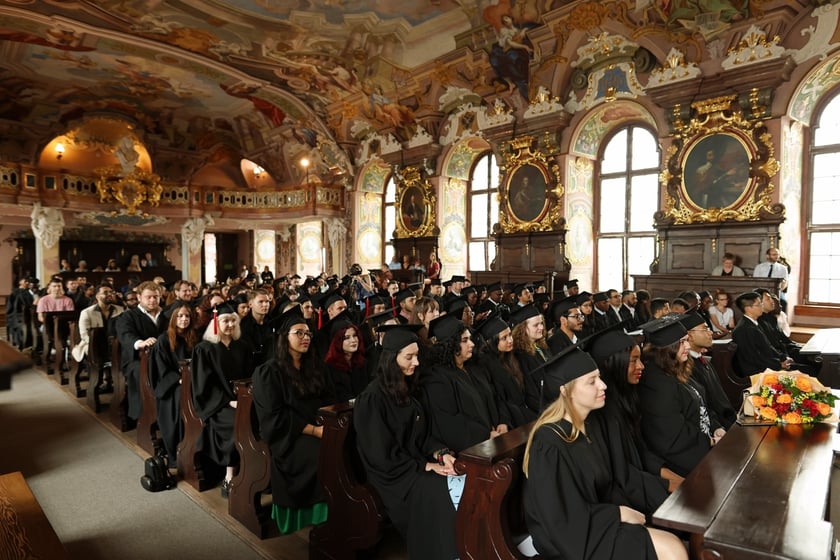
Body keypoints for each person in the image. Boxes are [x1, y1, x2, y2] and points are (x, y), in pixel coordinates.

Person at [522, 345, 687, 560]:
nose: (603, 385)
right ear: (565, 390)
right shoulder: (549, 444)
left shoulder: (590, 426)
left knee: (674, 533)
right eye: (592, 381)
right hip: (574, 539)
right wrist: (618, 514)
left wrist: (633, 509)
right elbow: (561, 519)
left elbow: (609, 485)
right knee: (671, 548)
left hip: (599, 522)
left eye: (599, 377)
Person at [354, 324, 459, 560]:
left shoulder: (408, 387)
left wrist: (441, 454)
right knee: (438, 490)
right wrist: (425, 466)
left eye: (417, 355)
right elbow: (381, 455)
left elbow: (423, 435)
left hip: (412, 464)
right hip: (392, 476)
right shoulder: (372, 399)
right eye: (409, 357)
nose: (417, 362)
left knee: (457, 477)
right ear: (392, 359)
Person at [252, 306, 334, 534]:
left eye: (308, 333)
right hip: (287, 438)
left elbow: (330, 400)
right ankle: (316, 516)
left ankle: (340, 507)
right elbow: (275, 417)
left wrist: (326, 424)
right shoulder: (268, 373)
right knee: (321, 454)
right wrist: (314, 430)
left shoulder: (316, 367)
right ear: (284, 337)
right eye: (299, 333)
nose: (305, 337)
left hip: (318, 427)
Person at [588, 327, 679, 504]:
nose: (641, 366)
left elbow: (640, 453)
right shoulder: (603, 413)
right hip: (623, 496)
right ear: (613, 364)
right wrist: (671, 485)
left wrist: (676, 479)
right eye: (633, 360)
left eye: (640, 359)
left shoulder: (625, 398)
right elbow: (623, 474)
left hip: (642, 481)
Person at [638, 317, 724, 478]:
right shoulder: (656, 383)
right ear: (667, 348)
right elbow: (672, 434)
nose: (688, 346)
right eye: (682, 342)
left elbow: (701, 405)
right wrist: (710, 441)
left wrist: (716, 427)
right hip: (686, 461)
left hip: (705, 445)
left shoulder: (676, 369)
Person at [191, 302, 255, 496]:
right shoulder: (204, 349)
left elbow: (250, 376)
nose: (230, 325)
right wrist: (229, 401)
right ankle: (229, 476)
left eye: (233, 321)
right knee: (238, 425)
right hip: (216, 405)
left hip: (242, 400)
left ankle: (254, 471)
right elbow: (203, 385)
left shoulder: (243, 347)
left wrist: (244, 397)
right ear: (216, 323)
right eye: (226, 321)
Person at [421, 314, 508, 453]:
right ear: (451, 344)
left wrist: (502, 421)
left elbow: (495, 395)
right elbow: (449, 422)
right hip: (473, 449)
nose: (472, 344)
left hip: (496, 437)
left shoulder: (475, 368)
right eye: (465, 340)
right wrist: (485, 435)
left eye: (470, 339)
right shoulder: (437, 379)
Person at [150, 304, 197, 467]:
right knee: (180, 397)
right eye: (180, 316)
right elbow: (161, 369)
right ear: (173, 318)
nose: (184, 319)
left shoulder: (194, 337)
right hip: (170, 387)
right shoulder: (163, 340)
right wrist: (179, 379)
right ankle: (177, 452)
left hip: (192, 381)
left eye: (187, 316)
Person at [474, 316, 536, 428]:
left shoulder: (512, 357)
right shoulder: (486, 366)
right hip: (511, 420)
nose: (510, 340)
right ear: (491, 341)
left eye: (510, 335)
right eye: (504, 338)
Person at [731, 291, 793, 377]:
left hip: (767, 365)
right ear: (748, 309)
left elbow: (768, 347)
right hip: (756, 372)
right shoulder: (744, 329)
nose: (762, 306)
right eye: (759, 304)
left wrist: (783, 358)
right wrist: (778, 365)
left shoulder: (754, 323)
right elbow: (753, 358)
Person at [511, 304, 552, 413]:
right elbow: (531, 392)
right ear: (523, 328)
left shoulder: (541, 347)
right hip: (543, 409)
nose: (541, 327)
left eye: (541, 323)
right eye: (536, 325)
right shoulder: (520, 355)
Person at [323, 311, 370, 401]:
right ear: (337, 341)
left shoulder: (363, 363)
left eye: (355, 335)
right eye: (346, 337)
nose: (353, 340)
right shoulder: (328, 368)